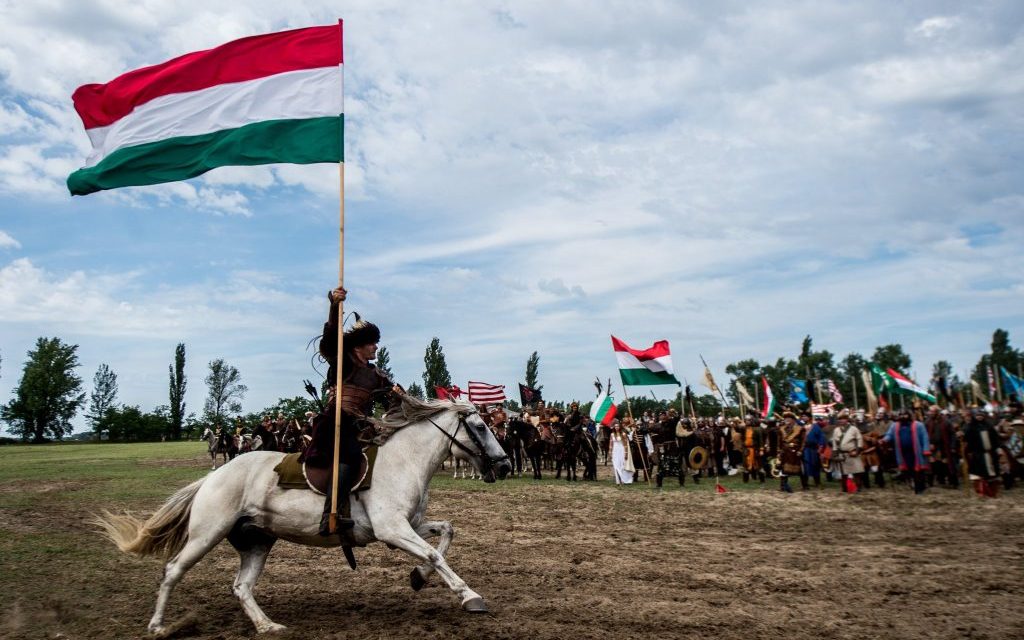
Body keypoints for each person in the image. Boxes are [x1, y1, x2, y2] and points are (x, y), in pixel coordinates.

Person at [301, 287, 403, 536]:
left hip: (360, 425)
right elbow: (330, 341)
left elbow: (395, 399)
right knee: (351, 456)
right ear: (358, 346)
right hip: (335, 421)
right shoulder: (343, 361)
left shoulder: (376, 374)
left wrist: (398, 405)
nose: (376, 347)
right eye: (372, 343)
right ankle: (330, 516)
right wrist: (335, 306)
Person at [882, 409, 931, 494]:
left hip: (916, 452)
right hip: (903, 453)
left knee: (919, 470)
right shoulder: (895, 426)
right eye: (901, 415)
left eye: (905, 415)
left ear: (909, 415)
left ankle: (920, 488)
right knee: (908, 470)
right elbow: (889, 434)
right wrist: (885, 440)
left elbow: (925, 437)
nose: (902, 417)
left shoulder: (918, 425)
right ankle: (914, 485)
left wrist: (926, 449)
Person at [962, 410, 1002, 498]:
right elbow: (966, 441)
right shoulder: (970, 427)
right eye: (977, 415)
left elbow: (995, 438)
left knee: (992, 474)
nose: (979, 417)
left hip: (990, 454)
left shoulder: (989, 426)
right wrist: (961, 436)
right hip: (977, 455)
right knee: (979, 474)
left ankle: (992, 492)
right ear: (974, 416)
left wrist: (998, 448)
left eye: (981, 415)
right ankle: (981, 493)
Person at [830, 413, 864, 492]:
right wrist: (834, 453)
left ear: (847, 420)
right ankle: (844, 488)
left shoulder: (853, 429)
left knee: (857, 471)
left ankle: (858, 487)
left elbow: (859, 439)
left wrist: (858, 450)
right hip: (842, 454)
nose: (841, 421)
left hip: (852, 453)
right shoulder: (836, 430)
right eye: (840, 419)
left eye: (843, 419)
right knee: (844, 473)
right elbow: (835, 442)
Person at [609, 420, 635, 485]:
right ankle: (618, 480)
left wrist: (626, 453)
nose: (616, 427)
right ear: (614, 427)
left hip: (621, 450)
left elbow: (625, 444)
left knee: (622, 465)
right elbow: (611, 444)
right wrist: (610, 452)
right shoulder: (612, 434)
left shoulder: (623, 434)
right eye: (615, 426)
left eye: (617, 426)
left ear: (619, 427)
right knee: (616, 465)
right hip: (615, 451)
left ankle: (623, 479)